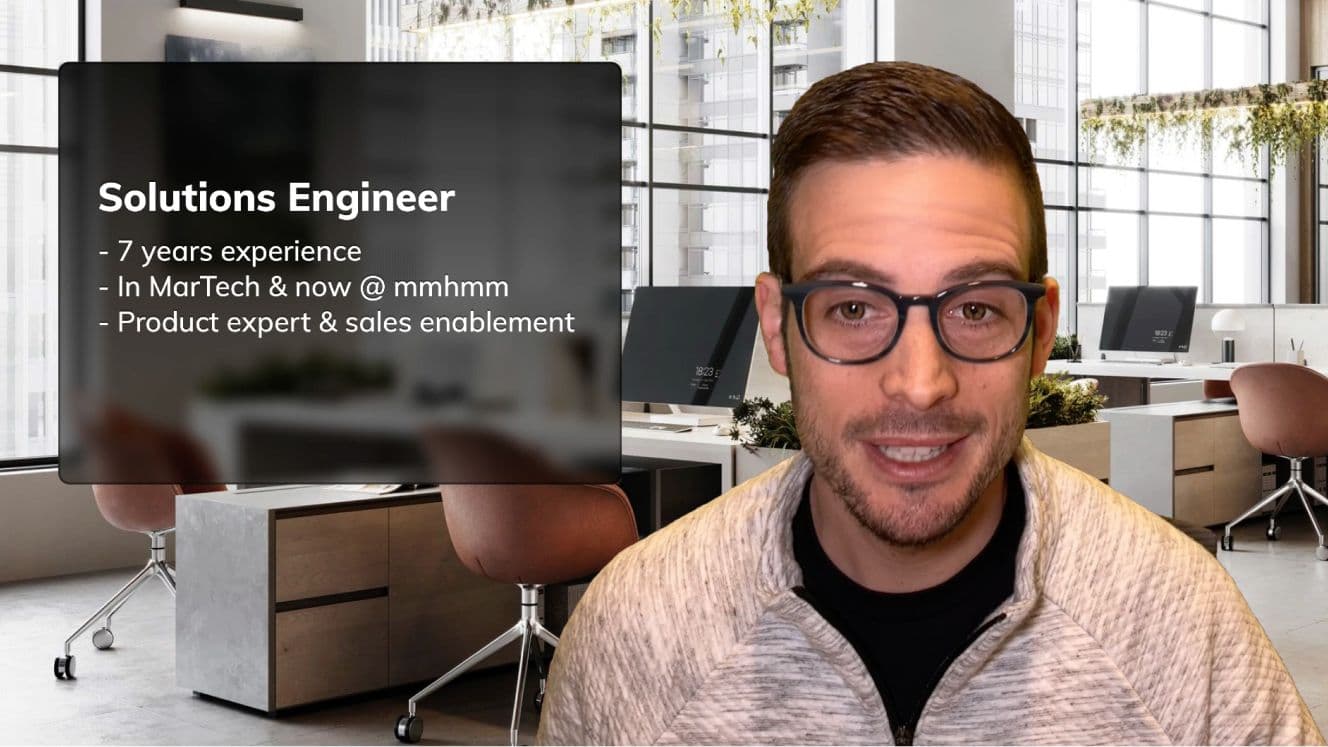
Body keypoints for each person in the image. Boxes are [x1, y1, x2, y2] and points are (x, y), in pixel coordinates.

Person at [536, 61, 1323, 746]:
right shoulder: (636, 635)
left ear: (1040, 329)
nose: (920, 382)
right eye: (853, 307)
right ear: (777, 327)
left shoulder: (1180, 624)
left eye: (976, 308)